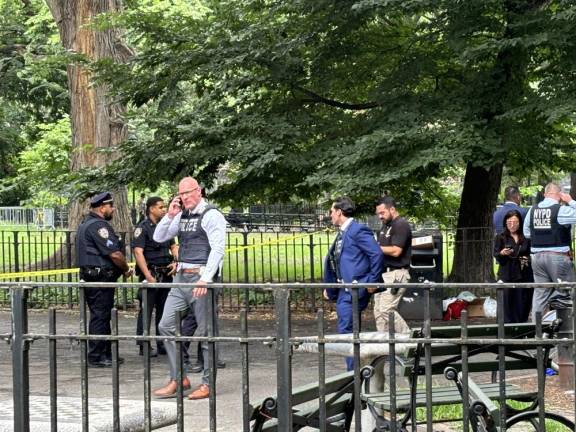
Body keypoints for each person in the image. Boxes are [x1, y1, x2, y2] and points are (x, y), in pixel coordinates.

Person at [152, 177, 226, 400]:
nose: (184, 197)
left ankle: (207, 383)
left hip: (200, 278)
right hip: (181, 278)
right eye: (181, 194)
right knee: (165, 325)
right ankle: (179, 377)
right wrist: (170, 214)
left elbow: (218, 249)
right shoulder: (181, 215)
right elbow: (159, 236)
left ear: (199, 191)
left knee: (206, 334)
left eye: (188, 193)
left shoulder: (212, 215)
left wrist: (206, 279)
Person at [323, 197, 384, 371]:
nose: (330, 215)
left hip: (356, 289)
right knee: (347, 331)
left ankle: (354, 376)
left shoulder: (358, 230)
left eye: (331, 212)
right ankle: (357, 373)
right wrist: (331, 286)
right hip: (344, 289)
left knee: (347, 332)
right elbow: (338, 260)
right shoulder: (344, 232)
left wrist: (372, 281)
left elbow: (376, 254)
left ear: (339, 212)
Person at [76, 192, 133, 368]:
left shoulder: (85, 224)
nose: (113, 209)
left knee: (101, 315)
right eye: (111, 206)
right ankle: (96, 356)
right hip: (99, 277)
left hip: (93, 276)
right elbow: (114, 254)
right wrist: (125, 268)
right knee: (100, 316)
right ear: (102, 207)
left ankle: (105, 353)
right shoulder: (98, 226)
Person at [132, 196, 178, 357]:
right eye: (160, 207)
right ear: (151, 209)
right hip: (151, 273)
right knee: (146, 311)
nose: (164, 209)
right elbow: (138, 252)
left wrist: (176, 261)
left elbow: (173, 245)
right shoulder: (143, 227)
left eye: (164, 206)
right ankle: (144, 344)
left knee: (164, 310)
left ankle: (162, 343)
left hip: (166, 273)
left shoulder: (165, 226)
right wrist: (147, 275)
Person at [523, 182, 576, 321]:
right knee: (568, 292)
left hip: (537, 258)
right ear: (559, 195)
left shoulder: (532, 210)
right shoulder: (561, 210)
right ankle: (567, 331)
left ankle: (537, 331)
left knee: (540, 294)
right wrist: (570, 201)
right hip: (558, 257)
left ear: (545, 194)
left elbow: (527, 233)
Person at [370, 196, 412, 335]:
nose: (380, 216)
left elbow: (396, 251)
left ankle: (410, 339)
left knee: (386, 310)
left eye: (382, 213)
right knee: (378, 312)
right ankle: (384, 349)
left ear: (392, 209)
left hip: (396, 274)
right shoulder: (386, 225)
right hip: (383, 274)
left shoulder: (401, 224)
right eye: (378, 214)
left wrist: (374, 248)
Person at [493, 209, 534, 323]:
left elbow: (531, 253)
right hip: (507, 273)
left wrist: (527, 258)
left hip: (523, 273)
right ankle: (505, 330)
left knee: (522, 302)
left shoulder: (525, 237)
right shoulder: (501, 237)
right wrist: (502, 253)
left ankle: (520, 327)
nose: (512, 225)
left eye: (515, 222)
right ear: (505, 223)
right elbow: (496, 254)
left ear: (520, 223)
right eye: (509, 222)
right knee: (506, 303)